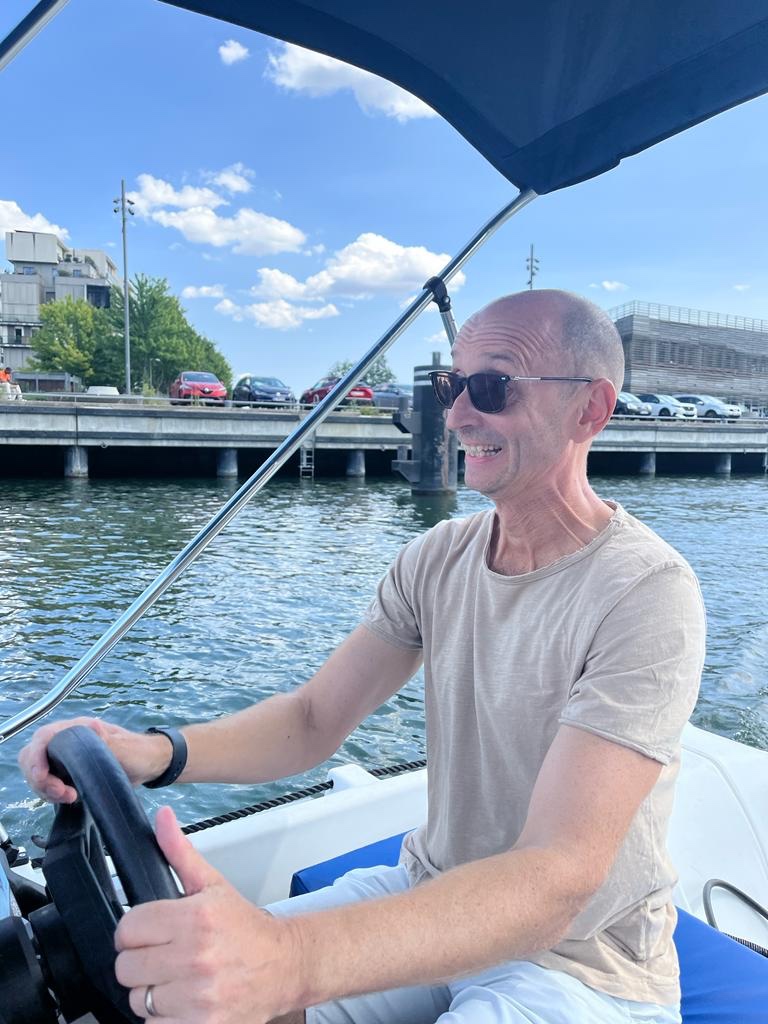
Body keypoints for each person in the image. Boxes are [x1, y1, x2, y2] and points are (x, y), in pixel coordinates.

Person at [20, 289, 706, 1024]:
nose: (457, 415)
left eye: (491, 387)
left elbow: (556, 877)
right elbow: (314, 718)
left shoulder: (646, 591)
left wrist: (293, 962)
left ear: (590, 409)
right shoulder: (437, 557)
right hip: (431, 888)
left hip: (581, 963)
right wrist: (151, 754)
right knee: (213, 999)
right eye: (450, 385)